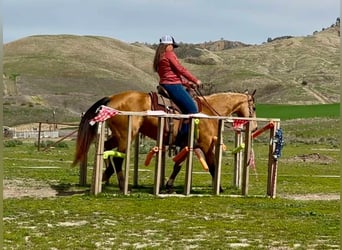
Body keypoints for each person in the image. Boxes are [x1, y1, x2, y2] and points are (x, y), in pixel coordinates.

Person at [153, 35, 202, 146]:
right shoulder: (169, 54)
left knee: (185, 108)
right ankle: (182, 138)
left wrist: (187, 83)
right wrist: (195, 80)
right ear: (168, 45)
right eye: (172, 46)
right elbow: (180, 69)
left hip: (166, 84)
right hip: (173, 86)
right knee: (193, 110)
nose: (173, 48)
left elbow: (172, 74)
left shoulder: (160, 56)